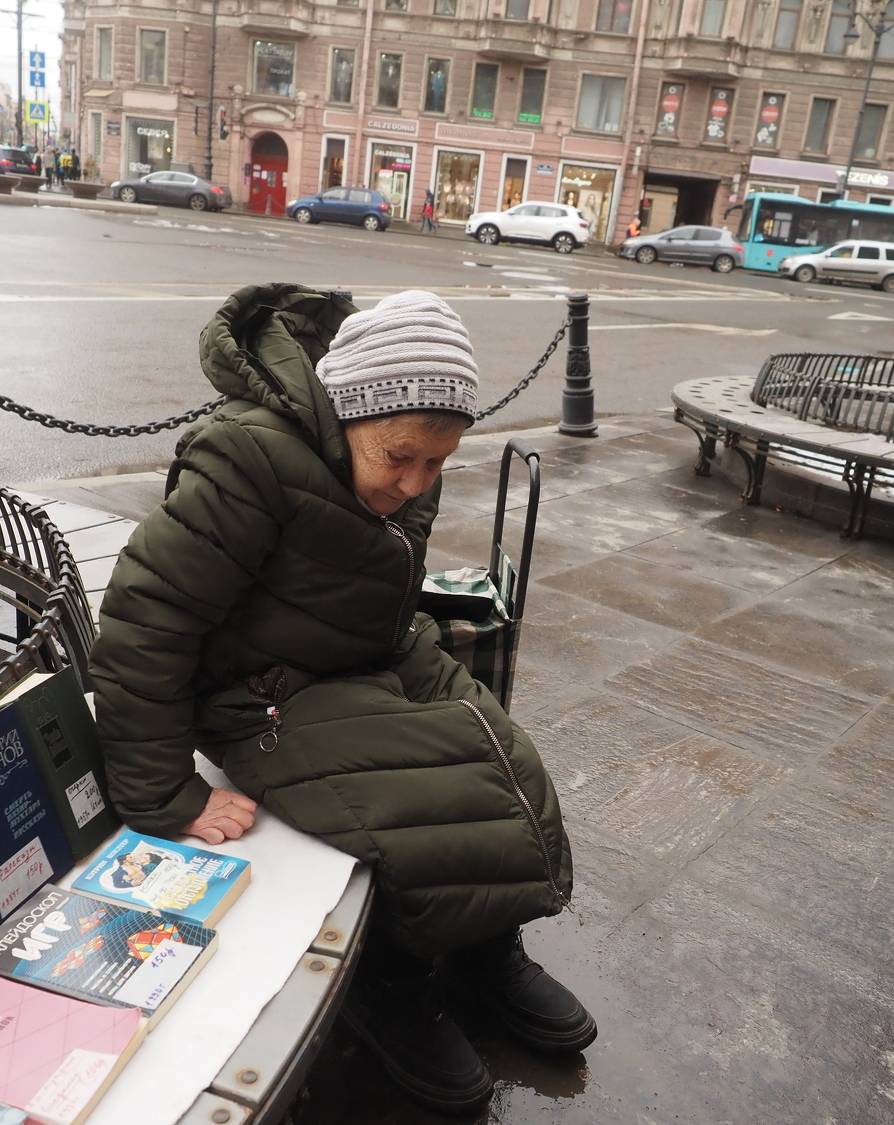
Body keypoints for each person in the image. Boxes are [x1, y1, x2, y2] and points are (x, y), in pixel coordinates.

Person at [89, 285, 594, 1114]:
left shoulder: (396, 457)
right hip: (264, 694)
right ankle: (388, 981)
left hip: (372, 653)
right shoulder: (247, 459)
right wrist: (163, 792)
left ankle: (484, 949)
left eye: (437, 463)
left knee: (505, 750)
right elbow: (147, 619)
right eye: (401, 457)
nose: (414, 482)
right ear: (350, 407)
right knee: (420, 801)